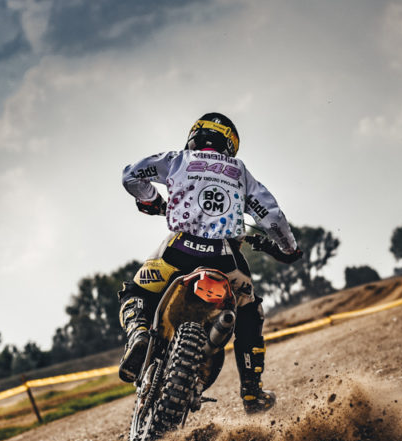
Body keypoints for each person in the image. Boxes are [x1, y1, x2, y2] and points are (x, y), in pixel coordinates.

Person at [118, 112, 302, 413]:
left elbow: (130, 176)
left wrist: (152, 200)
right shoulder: (239, 172)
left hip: (177, 253)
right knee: (250, 313)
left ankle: (139, 332)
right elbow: (272, 217)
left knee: (135, 292)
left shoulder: (177, 160)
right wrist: (288, 248)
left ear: (194, 135)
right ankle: (252, 392)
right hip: (226, 261)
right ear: (230, 145)